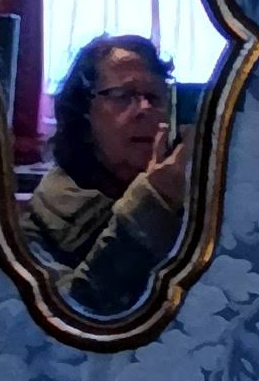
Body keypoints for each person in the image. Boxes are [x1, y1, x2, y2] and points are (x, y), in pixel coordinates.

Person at [24, 33, 190, 322]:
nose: (145, 109)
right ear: (84, 114)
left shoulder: (196, 200)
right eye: (123, 96)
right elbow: (75, 314)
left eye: (154, 97)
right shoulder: (39, 223)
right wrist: (152, 204)